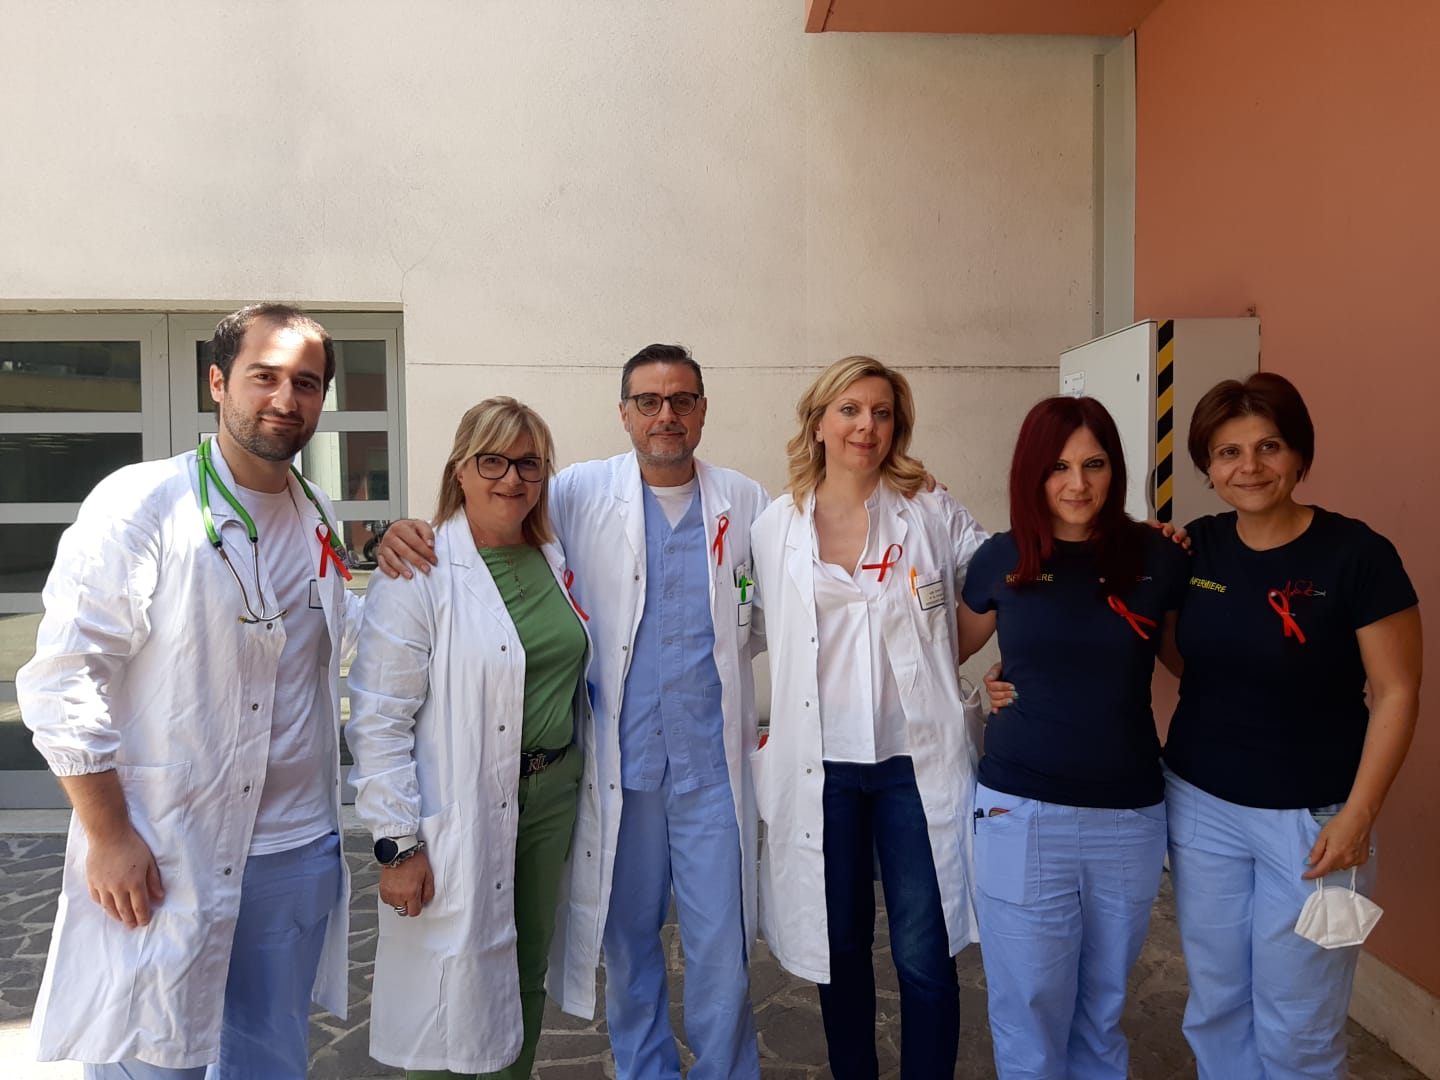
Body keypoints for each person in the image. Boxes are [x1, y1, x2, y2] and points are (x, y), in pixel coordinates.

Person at [377, 344, 768, 1080]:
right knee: (628, 941)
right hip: (623, 770)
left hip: (710, 773)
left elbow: (779, 608)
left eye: (681, 400)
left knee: (723, 948)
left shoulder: (745, 501)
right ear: (624, 413)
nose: (665, 415)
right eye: (648, 401)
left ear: (701, 411)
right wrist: (395, 531)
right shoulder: (581, 491)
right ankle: (646, 1071)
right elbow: (489, 511)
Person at [17, 304, 358, 1079]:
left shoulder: (318, 513)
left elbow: (334, 634)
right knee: (149, 1058)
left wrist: (412, 571)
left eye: (306, 383)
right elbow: (65, 677)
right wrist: (108, 835)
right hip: (169, 848)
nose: (286, 399)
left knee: (268, 1059)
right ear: (217, 382)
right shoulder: (141, 503)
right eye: (264, 376)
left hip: (295, 849)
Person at [1161, 373, 1421, 1077]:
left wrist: (1360, 815)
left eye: (1269, 446)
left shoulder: (1357, 555)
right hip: (1201, 807)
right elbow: (1180, 655)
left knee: (1297, 1023)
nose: (1249, 467)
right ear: (1208, 467)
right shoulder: (1196, 547)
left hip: (1313, 823)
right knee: (1216, 1004)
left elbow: (1397, 691)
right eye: (1228, 452)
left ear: (1300, 454)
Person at [747, 355, 987, 1080]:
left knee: (924, 952)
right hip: (822, 771)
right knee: (841, 947)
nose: (866, 426)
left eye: (882, 413)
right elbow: (744, 629)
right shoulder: (775, 526)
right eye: (849, 410)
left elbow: (1005, 576)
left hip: (912, 767)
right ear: (818, 422)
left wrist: (952, 660)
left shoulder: (929, 511)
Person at [346, 397, 594, 1079]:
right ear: (460, 468)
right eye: (492, 461)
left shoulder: (553, 555)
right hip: (461, 805)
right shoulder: (417, 570)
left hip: (551, 801)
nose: (511, 478)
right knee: (446, 990)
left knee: (524, 970)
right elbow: (378, 719)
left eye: (529, 464)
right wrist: (397, 842)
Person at [957, 395, 1188, 1079]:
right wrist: (983, 689)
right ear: (1031, 473)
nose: (1078, 484)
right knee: (1029, 1009)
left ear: (1116, 469)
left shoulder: (1157, 556)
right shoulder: (1003, 558)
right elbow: (935, 656)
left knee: (1102, 1009)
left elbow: (1195, 664)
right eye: (1058, 467)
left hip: (1130, 816)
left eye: (1095, 464)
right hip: (1021, 813)